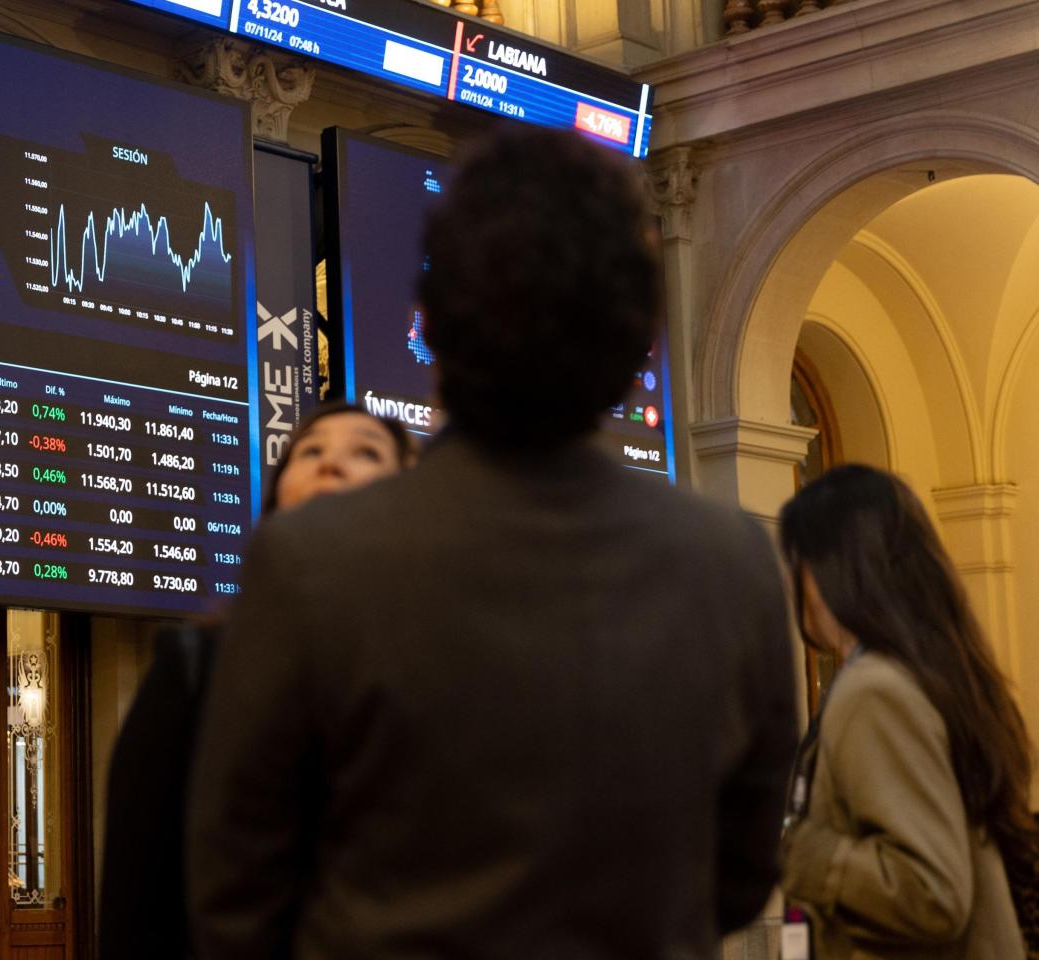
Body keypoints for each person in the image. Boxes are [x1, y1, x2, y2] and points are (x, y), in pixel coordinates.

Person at [187, 124, 798, 960]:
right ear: (637, 343)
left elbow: (233, 889)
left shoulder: (312, 559)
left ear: (429, 327)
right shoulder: (733, 565)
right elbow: (742, 870)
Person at [99, 402, 413, 959]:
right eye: (309, 451)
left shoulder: (440, 659)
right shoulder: (197, 663)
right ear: (277, 498)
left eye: (366, 452)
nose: (331, 463)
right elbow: (141, 885)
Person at [779, 465, 1036, 959]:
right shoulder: (933, 675)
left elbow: (932, 892)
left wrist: (804, 852)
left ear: (831, 570)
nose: (791, 582)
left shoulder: (876, 689)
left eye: (797, 561)